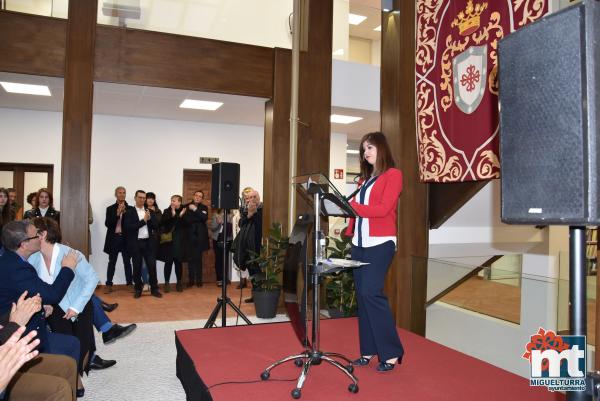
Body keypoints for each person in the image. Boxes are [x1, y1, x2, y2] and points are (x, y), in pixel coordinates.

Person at [29, 217, 116, 384]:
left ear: (43, 234)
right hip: (54, 308)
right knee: (66, 345)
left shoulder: (70, 253)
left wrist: (76, 307)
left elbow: (92, 279)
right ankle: (75, 380)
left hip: (80, 305)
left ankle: (79, 373)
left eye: (32, 233)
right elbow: (36, 286)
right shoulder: (33, 259)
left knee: (82, 345)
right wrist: (44, 302)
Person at [345, 132, 404, 372]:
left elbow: (382, 210)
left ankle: (391, 352)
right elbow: (357, 210)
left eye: (370, 148)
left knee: (371, 292)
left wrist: (351, 207)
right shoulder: (364, 180)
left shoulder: (394, 175)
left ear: (382, 148)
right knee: (362, 296)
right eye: (363, 149)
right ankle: (368, 350)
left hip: (380, 244)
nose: (366, 153)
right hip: (359, 243)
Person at [0, 220, 82, 387]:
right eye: (35, 235)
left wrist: (40, 306)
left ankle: (74, 384)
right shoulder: (16, 268)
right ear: (24, 244)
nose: (40, 237)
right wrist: (68, 268)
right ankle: (61, 385)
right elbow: (52, 295)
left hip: (20, 319)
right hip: (18, 335)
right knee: (71, 344)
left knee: (73, 342)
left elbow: (23, 292)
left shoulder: (11, 259)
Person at [1, 293, 78, 401]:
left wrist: (21, 312)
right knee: (60, 389)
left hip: (6, 360)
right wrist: (15, 323)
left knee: (68, 365)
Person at [124, 190, 161, 298]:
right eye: (140, 197)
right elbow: (128, 227)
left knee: (152, 266)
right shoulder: (129, 212)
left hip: (148, 243)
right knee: (137, 267)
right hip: (136, 243)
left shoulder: (150, 211)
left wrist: (149, 220)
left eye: (144, 198)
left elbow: (155, 226)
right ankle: (138, 289)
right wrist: (143, 221)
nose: (142, 200)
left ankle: (154, 289)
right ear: (135, 198)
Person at [235, 188, 263, 303]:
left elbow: (261, 224)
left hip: (258, 244)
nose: (251, 199)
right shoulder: (246, 210)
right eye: (249, 198)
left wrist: (254, 213)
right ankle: (255, 295)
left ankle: (261, 296)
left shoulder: (262, 208)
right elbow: (241, 224)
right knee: (252, 270)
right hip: (247, 245)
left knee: (258, 270)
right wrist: (249, 214)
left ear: (259, 198)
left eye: (253, 197)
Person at [103, 186, 133, 292]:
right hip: (114, 239)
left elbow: (131, 225)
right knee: (112, 262)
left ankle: (129, 284)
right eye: (119, 192)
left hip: (126, 240)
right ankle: (108, 284)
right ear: (116, 194)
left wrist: (124, 214)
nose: (122, 194)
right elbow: (108, 224)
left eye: (124, 192)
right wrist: (117, 214)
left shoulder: (130, 209)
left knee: (127, 263)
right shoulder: (110, 208)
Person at [159, 195, 186, 292]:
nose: (172, 202)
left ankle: (179, 283)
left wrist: (178, 216)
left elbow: (185, 224)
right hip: (169, 241)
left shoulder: (185, 211)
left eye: (174, 201)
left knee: (178, 263)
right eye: (171, 200)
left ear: (179, 202)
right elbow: (163, 224)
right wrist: (174, 215)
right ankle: (166, 283)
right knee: (168, 262)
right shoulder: (167, 211)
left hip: (180, 241)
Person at [182, 191, 209, 287]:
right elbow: (185, 220)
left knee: (198, 259)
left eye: (200, 196)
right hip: (189, 236)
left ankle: (199, 281)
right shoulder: (185, 206)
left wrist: (195, 210)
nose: (198, 197)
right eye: (196, 195)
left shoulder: (204, 207)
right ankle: (191, 280)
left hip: (200, 237)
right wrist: (198, 217)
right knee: (190, 259)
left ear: (202, 199)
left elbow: (204, 218)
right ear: (193, 196)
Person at [208, 209, 232, 287]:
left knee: (226, 259)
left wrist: (224, 222)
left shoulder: (231, 215)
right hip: (217, 239)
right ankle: (219, 279)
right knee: (218, 259)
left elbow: (233, 227)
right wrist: (218, 223)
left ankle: (225, 278)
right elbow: (212, 228)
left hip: (227, 239)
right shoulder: (215, 215)